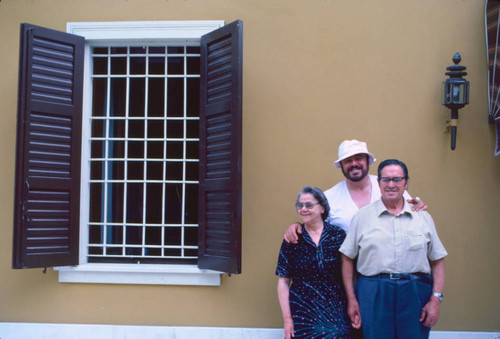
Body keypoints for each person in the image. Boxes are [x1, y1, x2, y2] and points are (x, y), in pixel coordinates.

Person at [340, 159, 447, 339]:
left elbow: (437, 260)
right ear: (378, 182)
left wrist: (435, 299)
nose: (391, 184)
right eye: (385, 180)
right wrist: (351, 299)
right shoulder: (362, 217)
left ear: (406, 183)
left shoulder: (423, 217)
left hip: (415, 292)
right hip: (374, 291)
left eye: (397, 179)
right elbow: (347, 259)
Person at [284, 139, 427, 241]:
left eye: (358, 158)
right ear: (341, 165)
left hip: (386, 273)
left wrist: (418, 208)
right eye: (347, 160)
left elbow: (413, 216)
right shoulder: (329, 197)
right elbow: (313, 227)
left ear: (367, 161)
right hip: (344, 271)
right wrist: (296, 226)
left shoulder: (388, 186)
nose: (354, 164)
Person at [276, 186, 351, 338]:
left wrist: (352, 302)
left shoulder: (337, 235)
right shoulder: (293, 239)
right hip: (303, 309)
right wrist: (287, 320)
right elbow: (283, 281)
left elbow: (348, 272)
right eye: (300, 205)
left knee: (337, 334)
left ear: (322, 208)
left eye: (309, 205)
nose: (304, 209)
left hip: (334, 306)